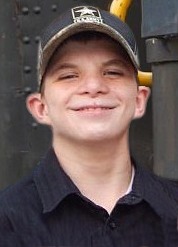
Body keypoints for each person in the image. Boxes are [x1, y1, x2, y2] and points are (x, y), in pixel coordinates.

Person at [0, 5, 178, 247]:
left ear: (139, 100)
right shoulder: (7, 221)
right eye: (69, 76)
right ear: (40, 107)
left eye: (112, 72)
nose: (93, 86)